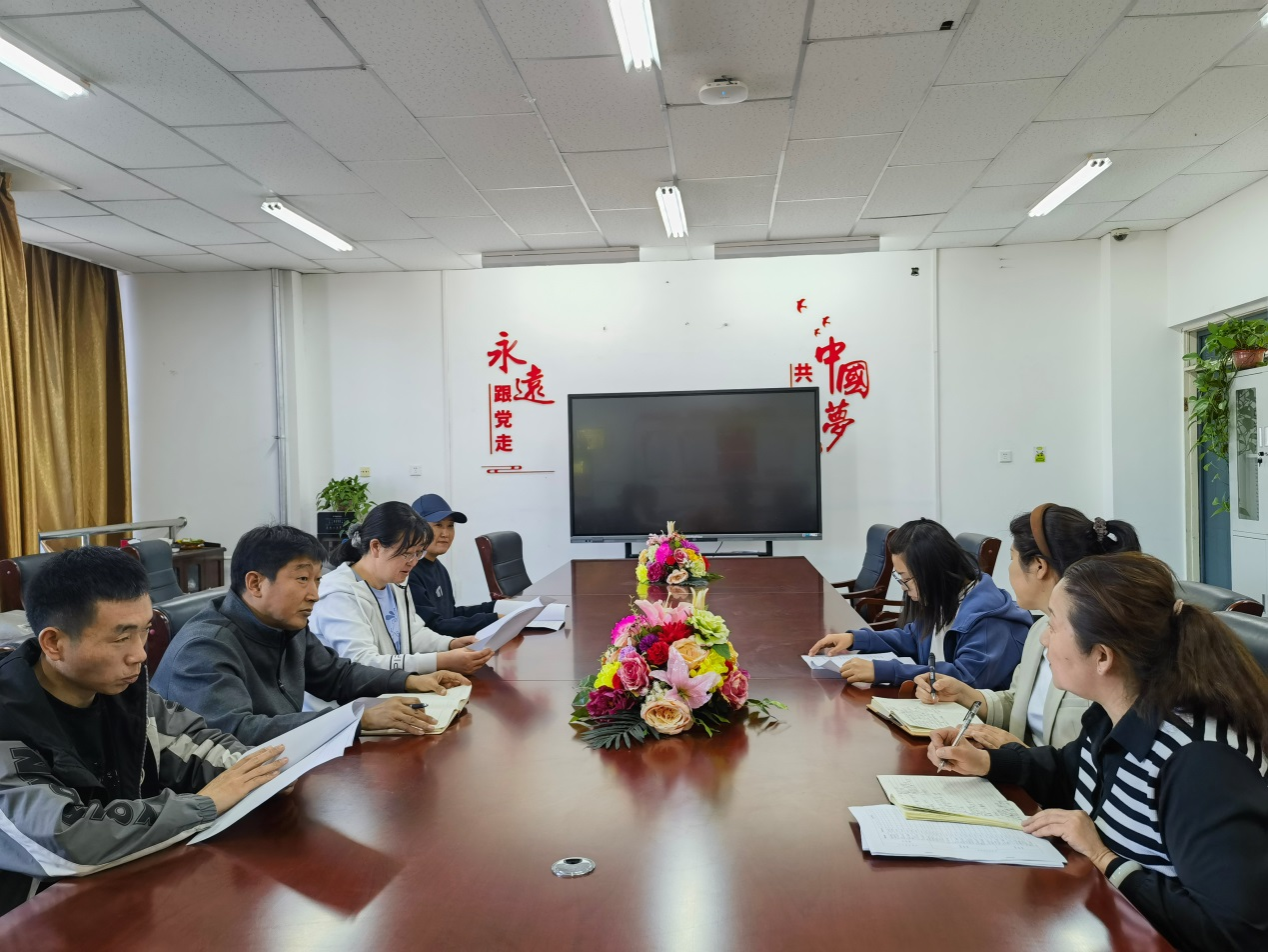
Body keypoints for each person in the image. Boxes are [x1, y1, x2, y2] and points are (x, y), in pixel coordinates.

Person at [929, 552, 1268, 952]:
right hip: (1110, 920)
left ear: (1103, 657)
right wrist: (986, 761)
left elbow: (1235, 933)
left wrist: (1103, 856)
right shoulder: (1118, 712)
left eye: (1054, 624)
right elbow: (1070, 771)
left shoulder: (1200, 763)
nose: (1044, 638)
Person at [0, 547, 289, 916]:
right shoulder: (8, 720)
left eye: (144, 632)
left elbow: (195, 743)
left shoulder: (122, 694)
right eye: (121, 638)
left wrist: (269, 771)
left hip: (123, 894)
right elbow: (66, 839)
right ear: (54, 643)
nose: (139, 654)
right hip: (32, 919)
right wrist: (203, 805)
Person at [152, 525, 468, 745]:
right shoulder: (205, 648)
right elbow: (237, 732)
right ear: (255, 583)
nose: (315, 594)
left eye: (317, 580)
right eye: (303, 579)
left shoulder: (287, 626)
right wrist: (356, 718)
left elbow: (336, 675)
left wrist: (408, 680)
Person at [912, 505, 1140, 749]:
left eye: (1012, 559)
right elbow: (1018, 702)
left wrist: (1019, 752)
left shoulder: (1096, 647)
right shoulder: (1039, 629)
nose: (1009, 568)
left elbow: (1098, 760)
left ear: (1039, 567)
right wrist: (962, 694)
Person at [808, 518, 1031, 688]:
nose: (903, 588)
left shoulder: (988, 620)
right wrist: (856, 639)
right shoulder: (946, 598)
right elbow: (914, 638)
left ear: (933, 573)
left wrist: (886, 671)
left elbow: (965, 678)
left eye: (906, 579)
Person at [310, 501, 493, 675]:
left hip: (390, 687)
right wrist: (440, 660)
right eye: (406, 553)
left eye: (418, 553)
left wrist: (450, 644)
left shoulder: (395, 583)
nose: (413, 562)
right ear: (376, 547)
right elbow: (362, 663)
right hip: (351, 697)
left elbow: (412, 633)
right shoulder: (338, 594)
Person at [406, 493, 500, 637]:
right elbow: (434, 626)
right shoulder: (409, 572)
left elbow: (450, 614)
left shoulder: (438, 567)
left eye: (450, 526)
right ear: (417, 529)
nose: (445, 534)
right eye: (438, 525)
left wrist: (497, 607)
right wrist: (493, 619)